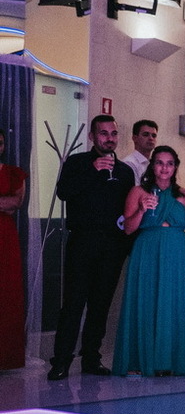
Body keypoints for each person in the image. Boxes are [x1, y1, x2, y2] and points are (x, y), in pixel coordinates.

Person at [48, 115, 135, 380]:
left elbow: (128, 210)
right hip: (82, 242)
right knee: (73, 303)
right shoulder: (77, 163)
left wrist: (126, 245)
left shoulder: (125, 172)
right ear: (92, 137)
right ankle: (61, 361)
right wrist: (92, 170)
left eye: (113, 133)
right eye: (104, 133)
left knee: (100, 305)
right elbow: (63, 192)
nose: (109, 138)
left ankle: (91, 358)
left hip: (112, 246)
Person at [112, 146, 185, 377]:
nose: (164, 168)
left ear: (175, 167)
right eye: (160, 163)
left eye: (170, 163)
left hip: (178, 254)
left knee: (174, 305)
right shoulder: (138, 192)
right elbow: (128, 228)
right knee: (147, 303)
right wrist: (142, 210)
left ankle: (170, 361)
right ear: (152, 166)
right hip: (147, 253)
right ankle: (142, 361)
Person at [0, 131, 28, 370]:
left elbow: (15, 203)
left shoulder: (13, 173)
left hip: (5, 237)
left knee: (6, 292)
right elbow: (6, 202)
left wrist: (7, 202)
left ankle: (4, 358)